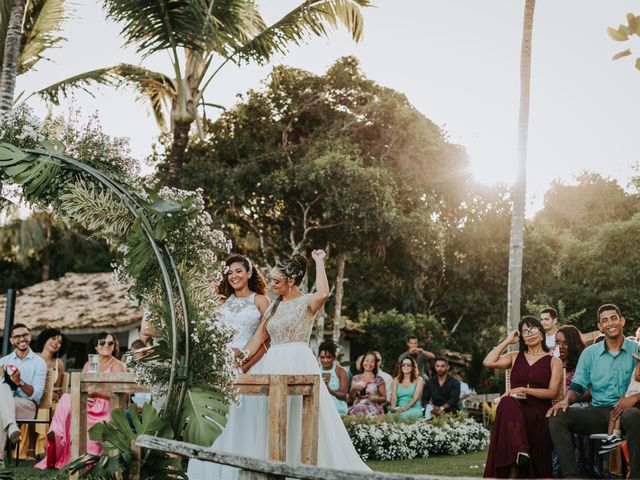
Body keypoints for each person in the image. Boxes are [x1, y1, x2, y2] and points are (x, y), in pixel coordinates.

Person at [187, 254, 270, 479]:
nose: (233, 276)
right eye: (229, 272)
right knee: (216, 419)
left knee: (242, 420)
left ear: (249, 273)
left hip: (249, 367)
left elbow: (266, 341)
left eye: (238, 271)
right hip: (217, 369)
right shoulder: (220, 301)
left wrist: (244, 366)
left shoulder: (261, 301)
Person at [547, 304, 640, 478]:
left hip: (630, 411)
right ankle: (572, 476)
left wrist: (635, 397)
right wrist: (566, 401)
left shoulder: (637, 349)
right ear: (600, 326)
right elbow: (578, 386)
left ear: (622, 321)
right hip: (599, 412)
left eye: (613, 318)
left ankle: (636, 476)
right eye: (605, 320)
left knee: (633, 416)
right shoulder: (590, 353)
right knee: (557, 415)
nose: (610, 323)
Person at [483, 316, 562, 478]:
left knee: (506, 403)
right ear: (522, 337)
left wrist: (524, 390)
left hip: (539, 411)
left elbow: (552, 392)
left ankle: (515, 466)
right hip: (515, 408)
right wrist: (507, 340)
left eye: (533, 329)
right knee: (507, 402)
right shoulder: (514, 356)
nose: (529, 334)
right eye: (525, 331)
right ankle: (520, 450)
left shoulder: (554, 361)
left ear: (541, 333)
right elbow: (488, 362)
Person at [36, 332, 126, 470]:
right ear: (96, 346)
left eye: (110, 343)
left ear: (114, 346)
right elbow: (81, 387)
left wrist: (97, 392)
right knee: (66, 398)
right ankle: (58, 432)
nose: (106, 345)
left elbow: (123, 394)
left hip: (107, 406)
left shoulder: (117, 365)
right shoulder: (90, 364)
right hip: (88, 402)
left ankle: (59, 435)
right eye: (102, 342)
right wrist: (86, 394)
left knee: (73, 408)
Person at [0, 323, 47, 465]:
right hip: (7, 405)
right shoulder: (3, 361)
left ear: (29, 337)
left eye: (24, 335)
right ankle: (12, 427)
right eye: (17, 336)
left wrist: (19, 381)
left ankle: (1, 456)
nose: (21, 339)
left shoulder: (39, 362)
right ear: (11, 341)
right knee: (2, 390)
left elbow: (37, 395)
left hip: (27, 406)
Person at [18, 328, 68, 460]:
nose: (56, 343)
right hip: (32, 398)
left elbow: (60, 388)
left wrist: (56, 395)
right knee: (39, 408)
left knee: (58, 409)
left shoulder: (59, 363)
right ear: (45, 339)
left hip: (52, 401)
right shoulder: (32, 358)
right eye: (53, 338)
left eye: (59, 341)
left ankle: (55, 449)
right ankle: (31, 449)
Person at [348, 351, 387, 416]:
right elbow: (351, 400)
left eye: (372, 362)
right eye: (367, 360)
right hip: (357, 406)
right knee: (359, 407)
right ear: (363, 362)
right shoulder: (355, 378)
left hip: (373, 407)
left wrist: (376, 398)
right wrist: (353, 389)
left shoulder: (379, 379)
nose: (369, 363)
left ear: (375, 365)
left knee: (362, 408)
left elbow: (384, 398)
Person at [318, 341, 348, 416]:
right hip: (320, 411)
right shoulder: (316, 370)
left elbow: (344, 396)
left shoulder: (341, 371)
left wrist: (330, 390)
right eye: (322, 357)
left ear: (334, 357)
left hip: (338, 411)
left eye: (328, 357)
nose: (325, 360)